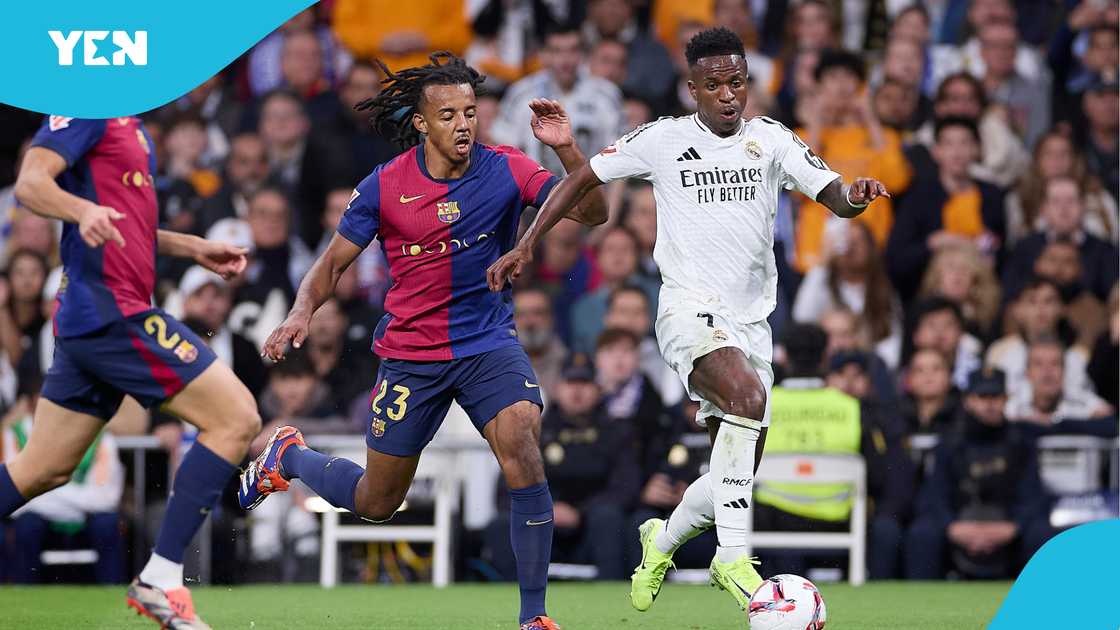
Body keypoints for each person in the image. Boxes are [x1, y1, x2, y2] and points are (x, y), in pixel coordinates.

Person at [486, 27, 889, 614]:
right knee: (746, 403)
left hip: (753, 326)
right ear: (693, 88)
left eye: (738, 83)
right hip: (688, 313)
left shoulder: (772, 140)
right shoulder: (662, 139)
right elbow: (583, 180)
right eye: (716, 85)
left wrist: (858, 195)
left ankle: (662, 539)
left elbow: (835, 198)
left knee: (734, 472)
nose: (729, 95)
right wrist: (527, 242)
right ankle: (732, 559)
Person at [241, 53, 607, 630]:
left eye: (470, 113)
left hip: (487, 343)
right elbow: (332, 263)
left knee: (521, 436)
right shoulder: (385, 186)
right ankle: (289, 456)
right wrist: (300, 312)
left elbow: (594, 210)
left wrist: (564, 147)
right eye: (449, 115)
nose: (464, 125)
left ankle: (534, 616)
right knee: (376, 503)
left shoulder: (509, 167)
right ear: (421, 122)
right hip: (412, 357)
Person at [3, 115, 260, 628]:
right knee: (236, 419)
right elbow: (31, 183)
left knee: (42, 469)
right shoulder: (87, 108)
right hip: (112, 313)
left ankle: (158, 579)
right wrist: (80, 210)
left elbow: (127, 226)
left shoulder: (134, 128)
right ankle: (160, 579)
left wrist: (192, 246)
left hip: (91, 320)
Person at [756, 326, 913, 580]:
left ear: (784, 357)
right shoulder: (853, 408)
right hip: (836, 519)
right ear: (824, 359)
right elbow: (876, 476)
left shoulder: (762, 405)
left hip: (774, 520)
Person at [486, 357, 641, 582]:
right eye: (570, 383)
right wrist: (546, 509)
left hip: (592, 529)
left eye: (585, 383)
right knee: (501, 524)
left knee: (609, 518)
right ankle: (514, 600)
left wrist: (581, 512)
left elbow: (627, 487)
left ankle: (612, 597)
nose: (577, 391)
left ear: (598, 389)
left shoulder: (617, 432)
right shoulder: (533, 430)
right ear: (557, 388)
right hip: (543, 531)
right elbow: (505, 488)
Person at [905, 368, 1053, 580]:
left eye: (996, 396)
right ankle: (919, 606)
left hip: (1008, 526)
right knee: (923, 533)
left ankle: (1040, 604)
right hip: (959, 524)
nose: (989, 404)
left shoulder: (1021, 442)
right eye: (982, 396)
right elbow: (934, 495)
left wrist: (1013, 527)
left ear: (1005, 399)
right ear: (968, 400)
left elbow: (1033, 495)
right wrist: (952, 526)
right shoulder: (949, 444)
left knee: (1042, 533)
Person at [886, 116, 1005, 300]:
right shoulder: (917, 197)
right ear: (936, 152)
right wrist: (932, 243)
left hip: (980, 295)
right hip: (927, 297)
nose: (957, 152)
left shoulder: (992, 195)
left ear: (976, 150)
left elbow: (1002, 249)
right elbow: (896, 260)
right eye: (948, 144)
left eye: (964, 143)